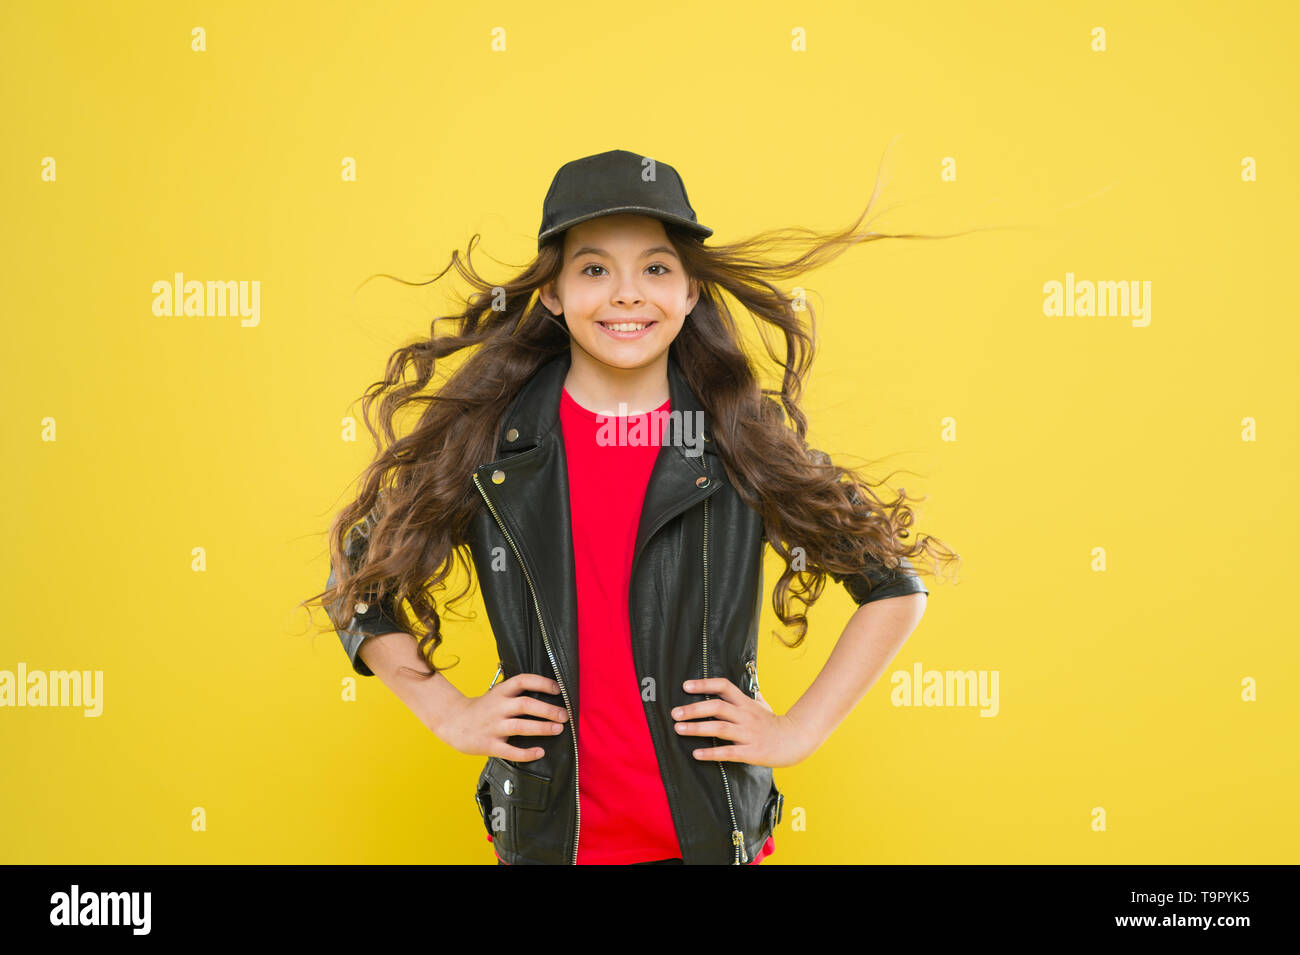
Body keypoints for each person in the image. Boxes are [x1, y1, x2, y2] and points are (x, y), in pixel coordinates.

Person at [308, 148, 960, 865]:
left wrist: (797, 731)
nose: (626, 294)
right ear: (552, 293)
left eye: (655, 268)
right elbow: (359, 566)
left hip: (713, 838)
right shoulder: (492, 442)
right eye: (593, 269)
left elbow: (892, 586)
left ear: (689, 293)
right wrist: (449, 712)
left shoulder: (737, 437)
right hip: (547, 841)